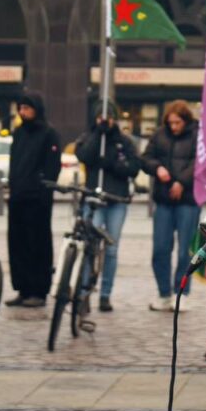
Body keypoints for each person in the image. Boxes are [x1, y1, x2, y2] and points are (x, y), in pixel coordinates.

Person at [74, 100, 142, 312]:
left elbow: (133, 168)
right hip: (94, 198)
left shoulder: (124, 141)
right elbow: (84, 155)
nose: (105, 121)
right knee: (89, 245)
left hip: (116, 201)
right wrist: (98, 134)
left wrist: (113, 164)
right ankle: (84, 291)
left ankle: (105, 294)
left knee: (111, 249)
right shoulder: (89, 137)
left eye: (109, 117)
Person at [141, 100, 201, 312]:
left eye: (177, 122)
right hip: (164, 200)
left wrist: (181, 182)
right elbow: (146, 157)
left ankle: (182, 292)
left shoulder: (197, 134)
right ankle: (163, 293)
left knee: (186, 250)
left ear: (185, 120)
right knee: (160, 248)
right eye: (170, 122)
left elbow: (200, 162)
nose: (174, 126)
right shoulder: (159, 134)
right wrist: (157, 169)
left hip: (188, 200)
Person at [6, 90, 61, 308]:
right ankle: (22, 288)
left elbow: (52, 167)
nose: (23, 112)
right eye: (20, 108)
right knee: (17, 244)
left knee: (37, 244)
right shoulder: (19, 133)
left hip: (37, 200)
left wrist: (43, 191)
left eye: (27, 108)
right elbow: (15, 162)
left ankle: (39, 291)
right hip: (18, 196)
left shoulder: (49, 133)